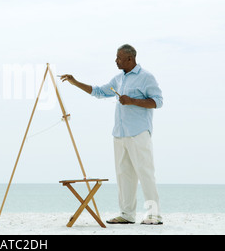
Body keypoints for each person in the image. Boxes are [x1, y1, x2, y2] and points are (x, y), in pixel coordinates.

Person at [60, 44, 163, 225]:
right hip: (119, 134)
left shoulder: (146, 77)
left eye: (119, 58)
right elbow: (99, 92)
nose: (116, 61)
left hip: (138, 133)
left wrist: (132, 101)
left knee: (145, 173)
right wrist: (75, 82)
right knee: (124, 175)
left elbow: (157, 102)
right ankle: (127, 214)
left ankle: (154, 215)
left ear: (130, 59)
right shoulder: (118, 79)